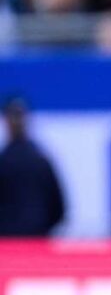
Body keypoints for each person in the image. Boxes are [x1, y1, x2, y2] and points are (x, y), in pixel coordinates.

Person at [0, 97, 65, 237]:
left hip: (8, 245)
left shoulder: (39, 161)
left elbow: (59, 209)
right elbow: (59, 210)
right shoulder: (41, 161)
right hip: (35, 242)